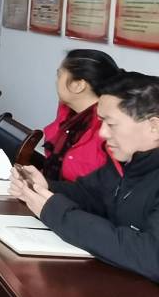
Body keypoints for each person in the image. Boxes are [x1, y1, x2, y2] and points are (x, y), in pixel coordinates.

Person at [10, 72, 159, 282]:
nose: (102, 134)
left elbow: (150, 255)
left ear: (154, 127)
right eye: (101, 122)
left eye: (111, 124)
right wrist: (46, 188)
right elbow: (90, 194)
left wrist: (56, 212)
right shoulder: (127, 162)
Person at [41, 49, 120, 181]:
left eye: (59, 75)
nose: (56, 82)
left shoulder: (107, 128)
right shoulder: (69, 113)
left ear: (78, 85)